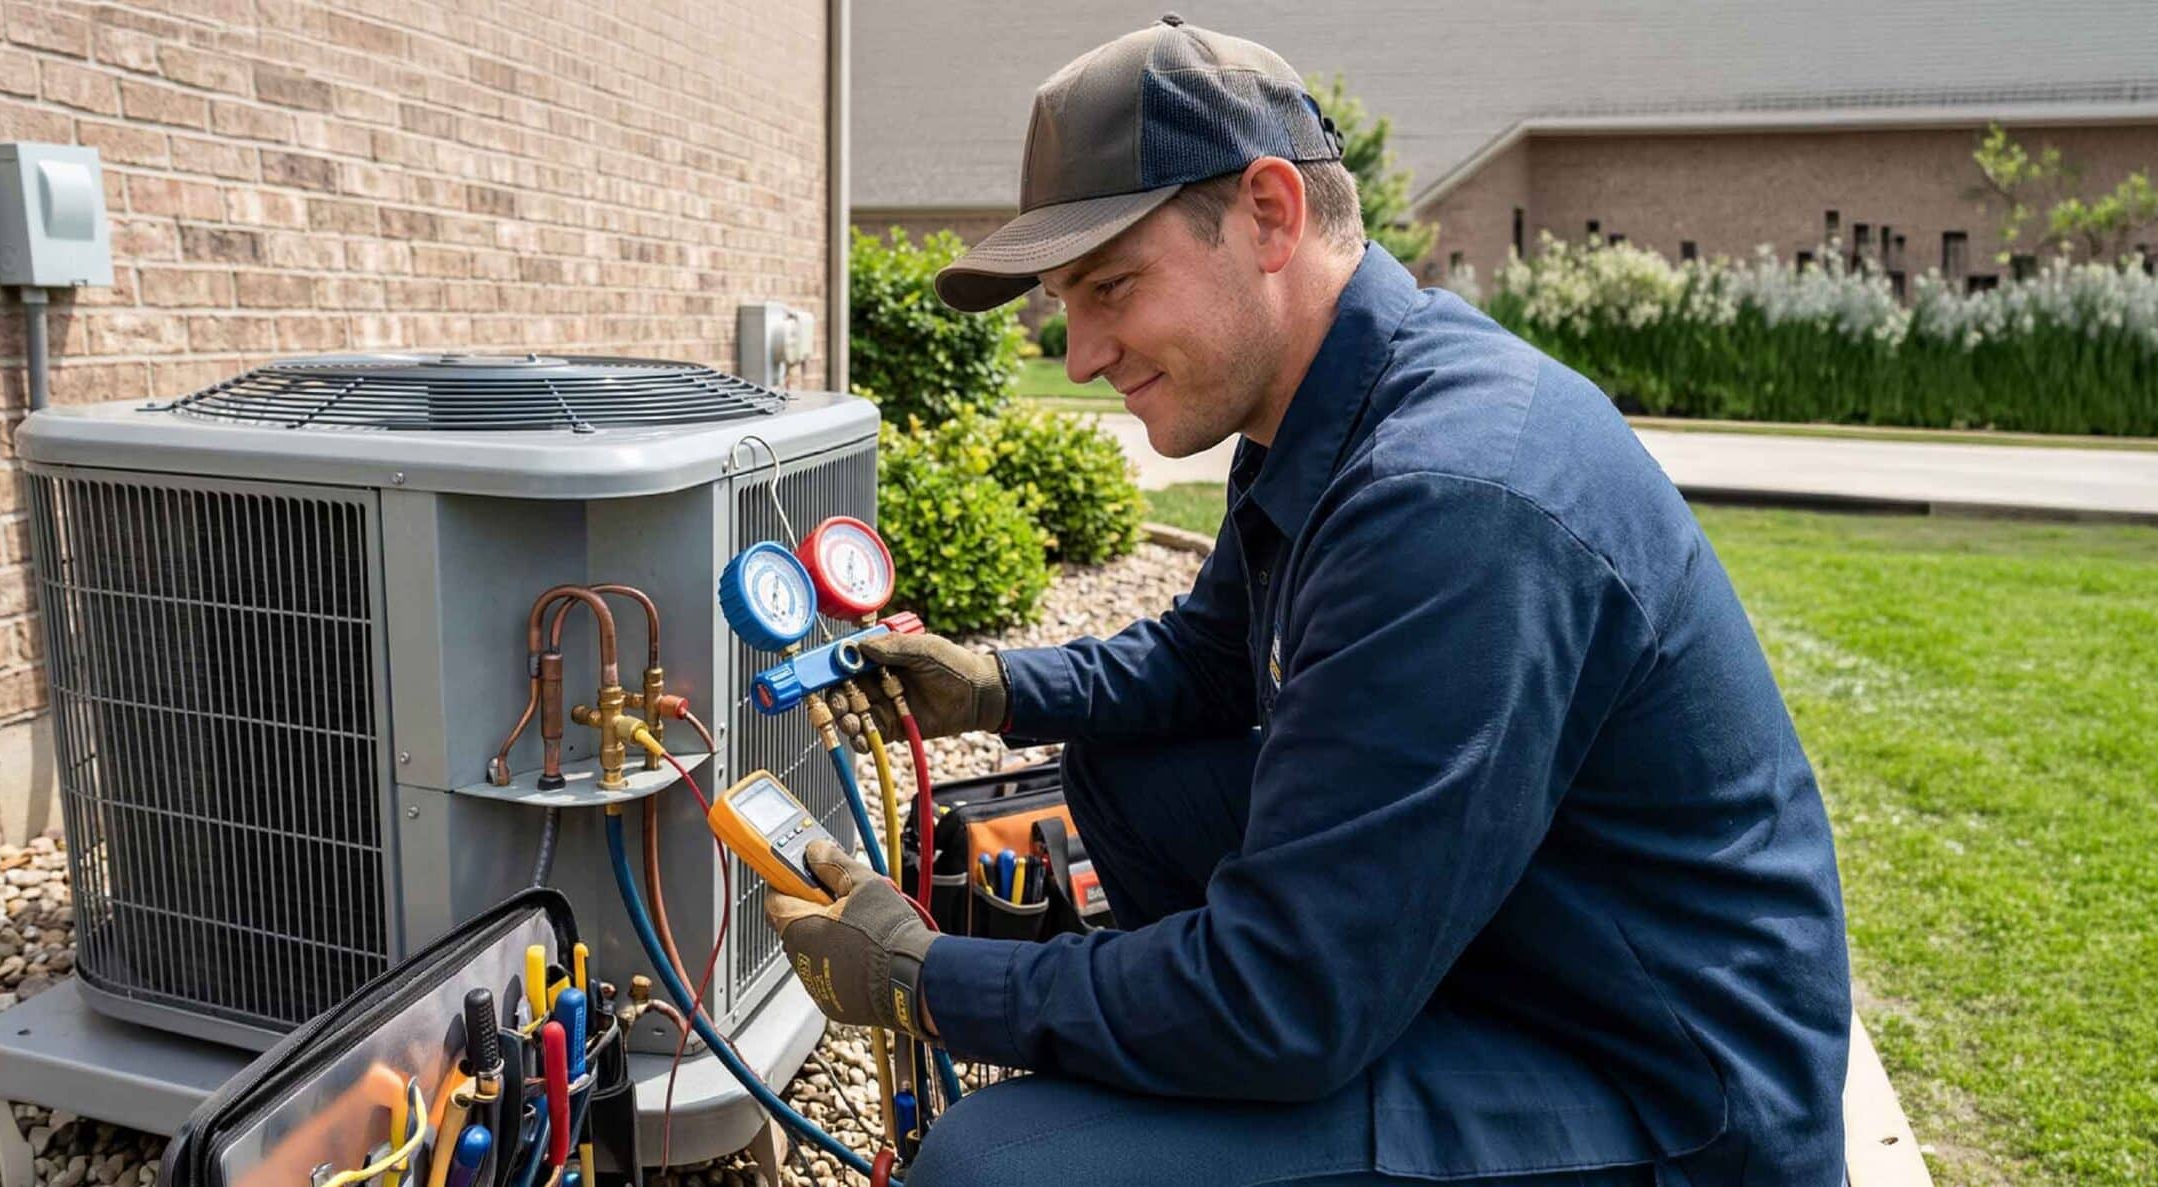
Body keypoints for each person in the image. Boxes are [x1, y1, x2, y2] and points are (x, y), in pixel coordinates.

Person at [766, 16, 1851, 1185]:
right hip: (1511, 938)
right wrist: (994, 686)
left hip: (1657, 1090)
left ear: (1270, 214)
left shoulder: (1450, 497)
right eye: (1065, 302)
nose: (1077, 353)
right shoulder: (1325, 406)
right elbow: (1207, 662)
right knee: (1130, 771)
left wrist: (932, 979)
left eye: (1111, 286)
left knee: (992, 1164)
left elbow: (1282, 993)